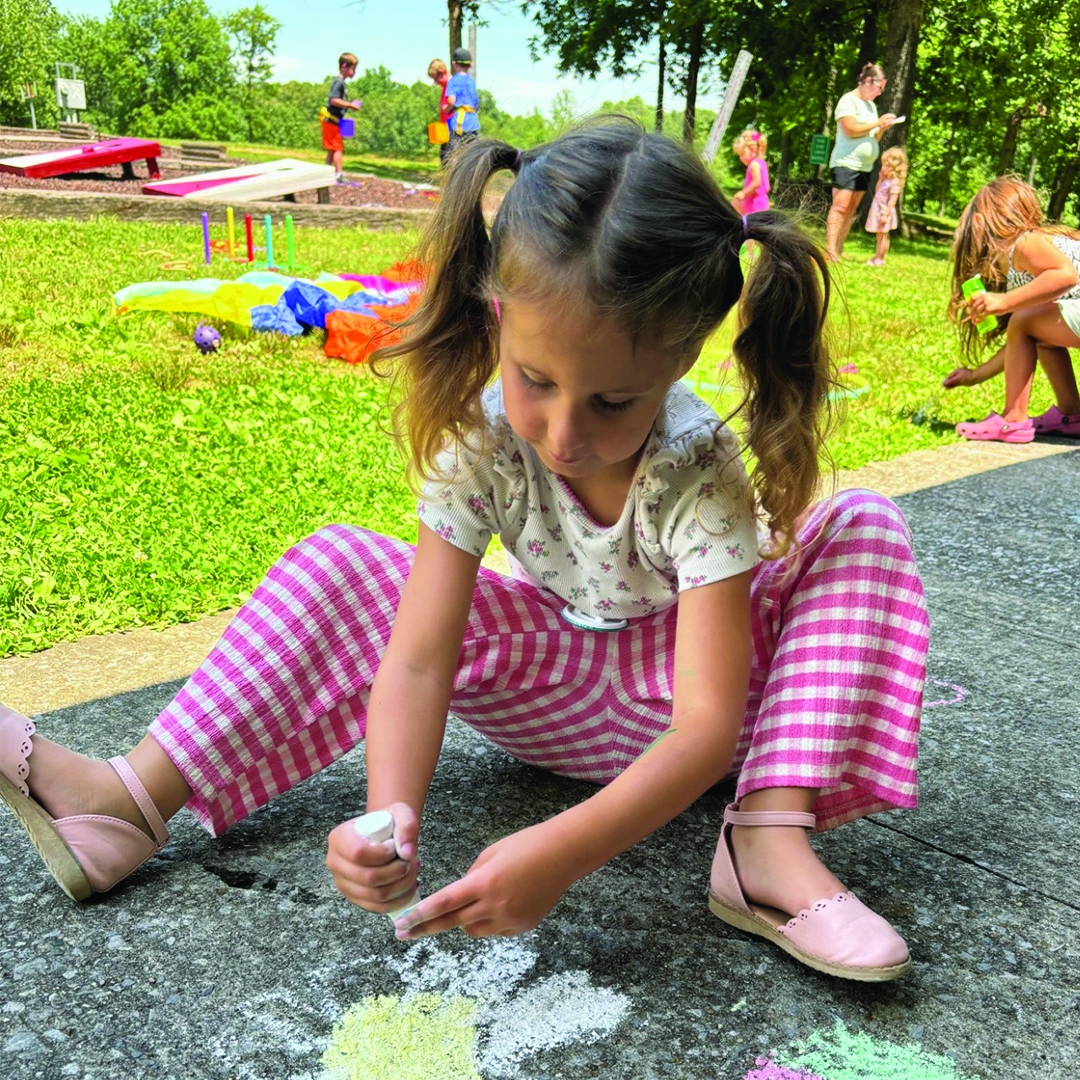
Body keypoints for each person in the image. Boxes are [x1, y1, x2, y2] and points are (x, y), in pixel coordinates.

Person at [0, 118, 928, 983]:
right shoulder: (477, 440)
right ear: (496, 315)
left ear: (682, 359)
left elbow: (704, 723)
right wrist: (387, 814)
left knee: (862, 526)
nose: (565, 434)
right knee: (341, 561)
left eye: (614, 401)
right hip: (551, 697)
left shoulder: (697, 464)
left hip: (702, 723)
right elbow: (417, 656)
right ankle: (126, 802)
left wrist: (561, 851)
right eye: (536, 379)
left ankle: (764, 839)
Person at [947, 177, 1080, 441]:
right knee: (1036, 332)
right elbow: (1019, 342)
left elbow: (1066, 276)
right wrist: (975, 375)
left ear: (977, 223)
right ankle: (1072, 415)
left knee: (1025, 321)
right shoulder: (1022, 257)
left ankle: (1013, 420)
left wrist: (1004, 302)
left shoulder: (1024, 245)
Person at [825, 64, 898, 262]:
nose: (879, 92)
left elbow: (873, 137)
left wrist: (882, 126)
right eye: (878, 87)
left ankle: (838, 248)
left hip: (864, 166)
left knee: (851, 209)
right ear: (867, 81)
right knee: (840, 207)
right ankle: (830, 249)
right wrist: (876, 122)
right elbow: (850, 129)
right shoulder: (848, 101)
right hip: (846, 163)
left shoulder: (871, 106)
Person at [323, 52, 363, 183]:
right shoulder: (338, 82)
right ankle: (339, 175)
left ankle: (325, 173)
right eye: (353, 69)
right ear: (344, 66)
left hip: (334, 122)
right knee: (337, 148)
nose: (354, 72)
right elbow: (334, 100)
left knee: (332, 149)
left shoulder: (342, 84)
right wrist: (350, 105)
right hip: (331, 121)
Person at [863, 147, 907, 266]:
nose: (882, 168)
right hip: (878, 210)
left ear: (893, 167)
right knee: (880, 236)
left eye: (885, 165)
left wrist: (886, 214)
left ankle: (880, 258)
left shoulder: (894, 182)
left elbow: (893, 199)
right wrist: (880, 180)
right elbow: (877, 192)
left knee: (882, 237)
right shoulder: (886, 180)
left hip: (884, 212)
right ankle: (878, 256)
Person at [445, 47, 480, 158]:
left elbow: (451, 100)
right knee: (471, 154)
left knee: (455, 154)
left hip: (459, 123)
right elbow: (476, 103)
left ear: (454, 63)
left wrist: (445, 110)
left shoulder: (453, 80)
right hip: (473, 122)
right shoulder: (471, 81)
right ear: (470, 64)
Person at [730, 129, 770, 216]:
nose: (740, 158)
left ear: (752, 150)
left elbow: (757, 182)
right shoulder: (761, 162)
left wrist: (743, 193)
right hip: (761, 200)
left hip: (755, 202)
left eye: (742, 154)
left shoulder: (754, 164)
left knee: (752, 223)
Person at [427, 58, 453, 167]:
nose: (435, 83)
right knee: (444, 159)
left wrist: (445, 108)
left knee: (449, 160)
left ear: (442, 72)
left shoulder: (452, 84)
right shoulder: (445, 87)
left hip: (453, 129)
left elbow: (452, 102)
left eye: (436, 79)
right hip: (446, 130)